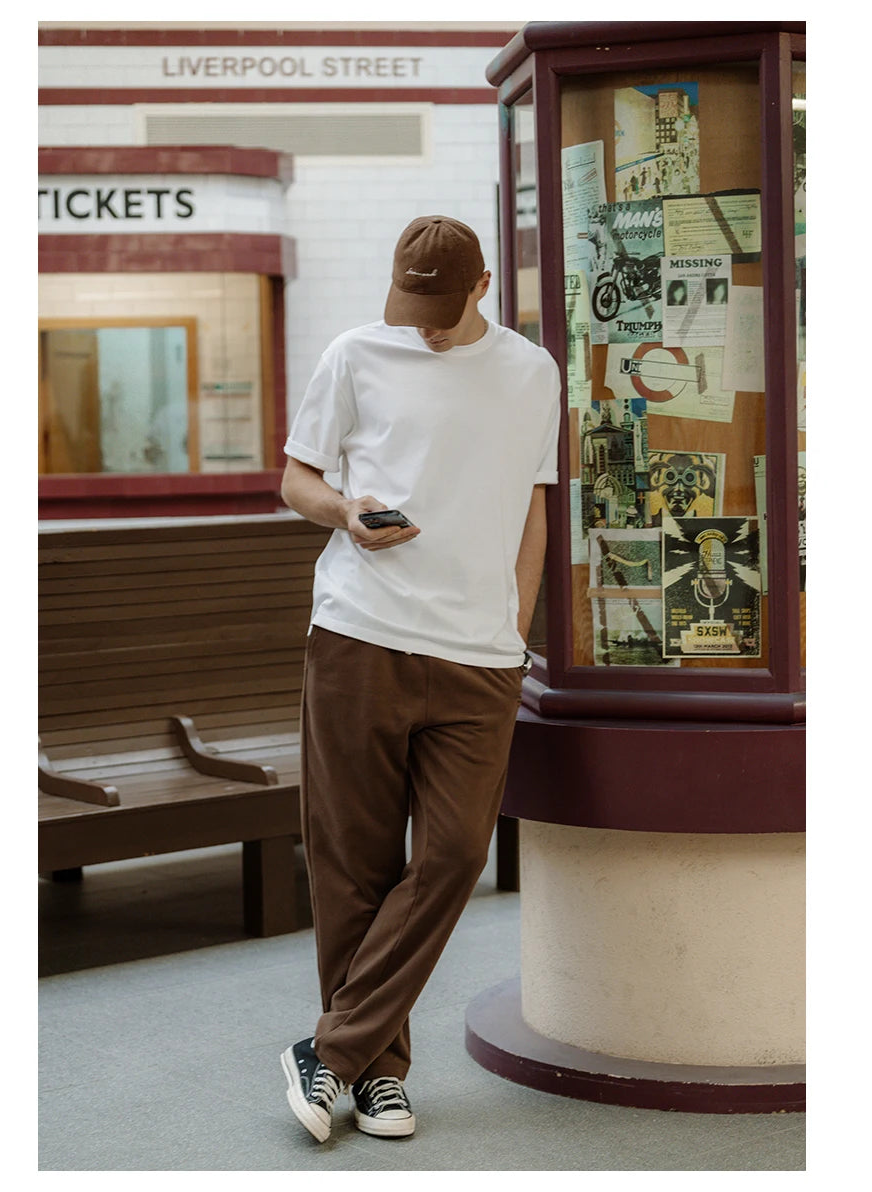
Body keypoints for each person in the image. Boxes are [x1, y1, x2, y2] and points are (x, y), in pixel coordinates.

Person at [277, 215, 561, 1144]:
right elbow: (297, 480)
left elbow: (531, 511)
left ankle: (332, 1050)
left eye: (442, 308)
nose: (425, 326)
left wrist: (512, 634)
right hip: (361, 634)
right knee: (353, 864)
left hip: (478, 656)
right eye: (413, 306)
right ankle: (377, 1072)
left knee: (451, 859)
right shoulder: (356, 353)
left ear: (481, 286)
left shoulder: (532, 372)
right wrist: (346, 513)